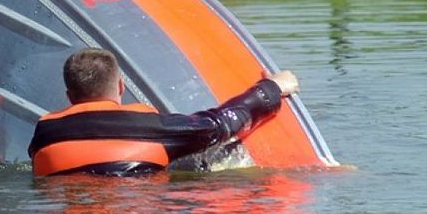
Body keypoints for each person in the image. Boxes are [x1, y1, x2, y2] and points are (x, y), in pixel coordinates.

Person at [28, 48, 300, 177]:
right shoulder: (150, 128)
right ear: (122, 86)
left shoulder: (45, 133)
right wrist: (272, 89)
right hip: (138, 202)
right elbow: (219, 123)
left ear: (69, 97)